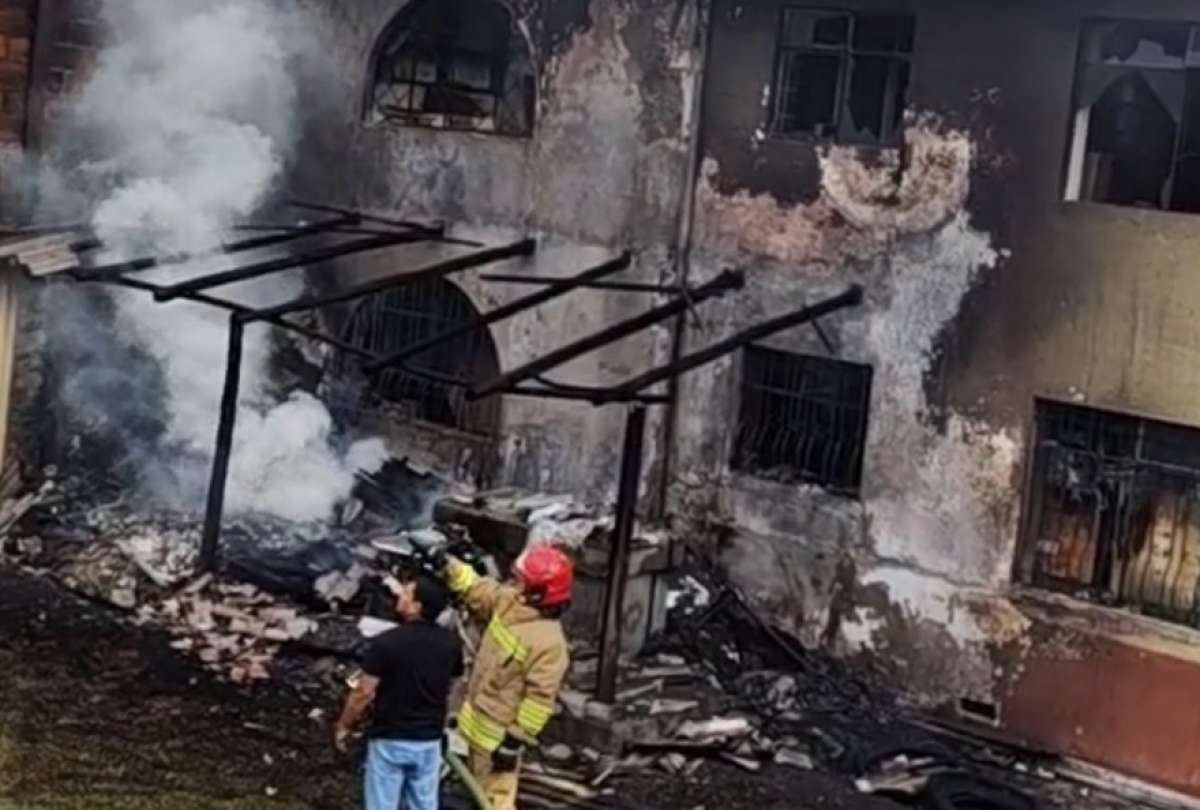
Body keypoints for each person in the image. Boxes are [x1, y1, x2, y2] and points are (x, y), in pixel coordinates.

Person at [442, 545, 574, 810]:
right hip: (472, 726)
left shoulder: (549, 644)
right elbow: (478, 589)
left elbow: (538, 702)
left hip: (497, 741)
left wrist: (513, 744)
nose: (514, 584)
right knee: (470, 793)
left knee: (494, 802)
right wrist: (446, 563)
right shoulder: (510, 604)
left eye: (521, 581)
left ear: (538, 593)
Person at [334, 574, 463, 810]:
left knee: (382, 803)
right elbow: (455, 685)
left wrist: (344, 725)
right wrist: (442, 719)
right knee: (424, 804)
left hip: (389, 739)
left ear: (417, 606)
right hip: (428, 742)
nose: (399, 595)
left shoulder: (386, 644)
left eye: (406, 593)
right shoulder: (451, 644)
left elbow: (363, 692)